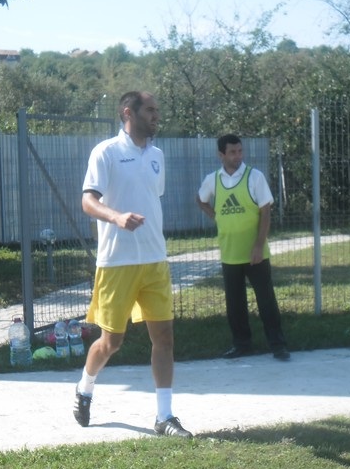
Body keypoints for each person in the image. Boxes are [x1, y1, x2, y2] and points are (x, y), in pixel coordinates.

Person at [73, 91, 192, 438]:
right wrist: (116, 217)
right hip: (117, 263)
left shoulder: (157, 155)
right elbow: (88, 201)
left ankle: (164, 417)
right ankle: (84, 388)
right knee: (111, 342)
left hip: (155, 260)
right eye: (150, 110)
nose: (156, 116)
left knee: (164, 337)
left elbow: (151, 199)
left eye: (157, 110)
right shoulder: (106, 152)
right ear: (129, 112)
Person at [196, 134, 290, 361]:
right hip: (230, 253)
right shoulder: (213, 180)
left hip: (255, 254)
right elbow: (200, 199)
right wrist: (216, 216)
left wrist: (258, 245)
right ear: (221, 155)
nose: (238, 156)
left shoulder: (254, 177)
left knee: (266, 301)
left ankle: (277, 345)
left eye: (240, 151)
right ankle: (242, 344)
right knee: (235, 304)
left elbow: (265, 213)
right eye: (232, 152)